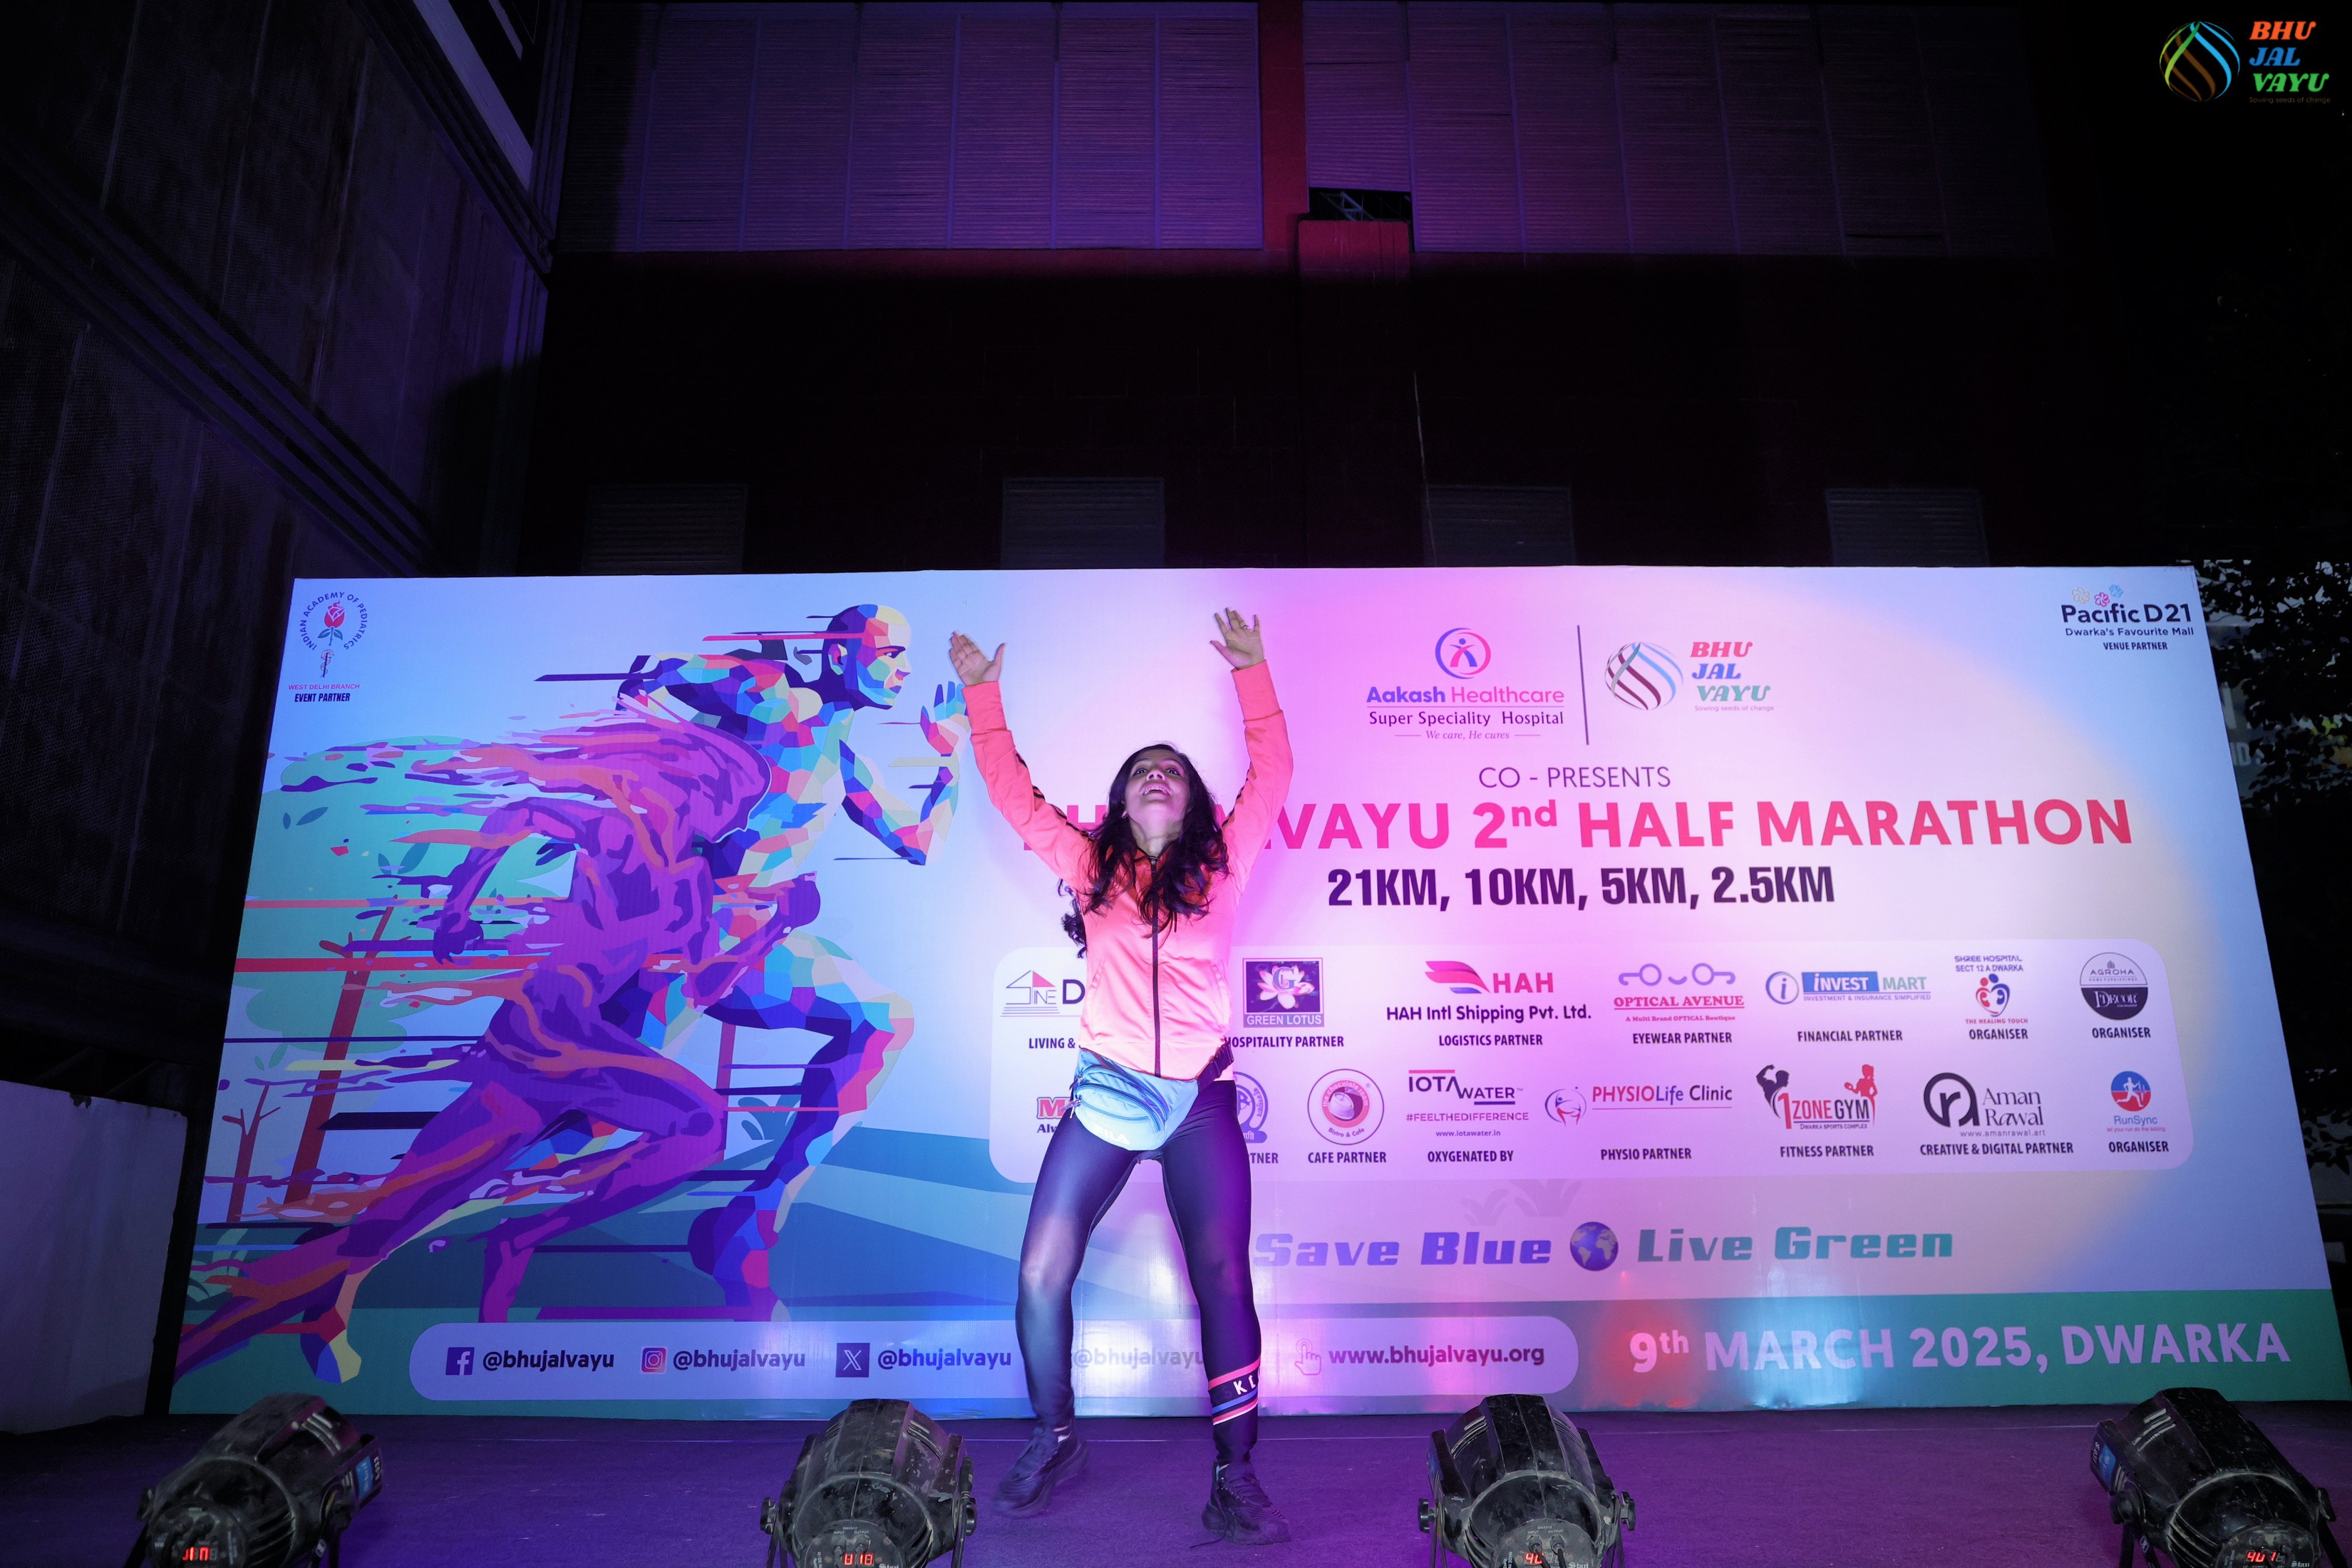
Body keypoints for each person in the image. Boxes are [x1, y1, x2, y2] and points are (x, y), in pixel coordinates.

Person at [948, 609, 1293, 1545]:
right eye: (1142, 768)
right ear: (1123, 798)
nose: (1156, 773)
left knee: (1223, 1277)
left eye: (1171, 768)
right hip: (1105, 1094)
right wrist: (983, 695)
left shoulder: (1224, 865)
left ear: (1190, 800)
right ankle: (1056, 1437)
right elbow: (1015, 797)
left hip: (1199, 1101)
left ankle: (1236, 1475)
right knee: (1039, 1271)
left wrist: (1253, 675)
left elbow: (1274, 774)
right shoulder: (1087, 865)